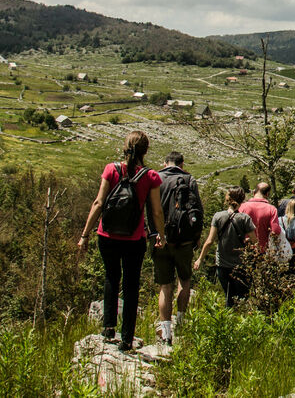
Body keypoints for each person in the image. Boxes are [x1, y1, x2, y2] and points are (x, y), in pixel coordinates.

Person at [78, 131, 166, 352]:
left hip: (106, 235)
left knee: (111, 277)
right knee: (131, 285)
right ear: (146, 151)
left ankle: (108, 327)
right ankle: (126, 338)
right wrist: (161, 235)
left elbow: (99, 203)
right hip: (134, 238)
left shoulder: (111, 169)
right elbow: (156, 212)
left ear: (125, 147)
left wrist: (85, 234)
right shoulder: (151, 176)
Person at [149, 151, 203, 345]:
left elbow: (150, 209)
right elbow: (198, 211)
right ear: (182, 164)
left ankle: (166, 332)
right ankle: (180, 322)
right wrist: (196, 237)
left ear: (165, 163)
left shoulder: (156, 178)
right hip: (185, 240)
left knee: (165, 286)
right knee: (184, 280)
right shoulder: (189, 180)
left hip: (160, 239)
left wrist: (153, 233)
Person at [194, 187, 255, 307]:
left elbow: (209, 241)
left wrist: (200, 259)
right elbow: (255, 241)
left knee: (228, 296)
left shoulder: (218, 216)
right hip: (240, 264)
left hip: (222, 263)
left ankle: (228, 315)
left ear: (228, 199)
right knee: (242, 297)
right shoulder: (245, 218)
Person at [239, 182, 280, 252]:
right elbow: (275, 231)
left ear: (254, 193)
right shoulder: (272, 209)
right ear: (267, 194)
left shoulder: (242, 207)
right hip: (262, 249)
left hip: (244, 249)